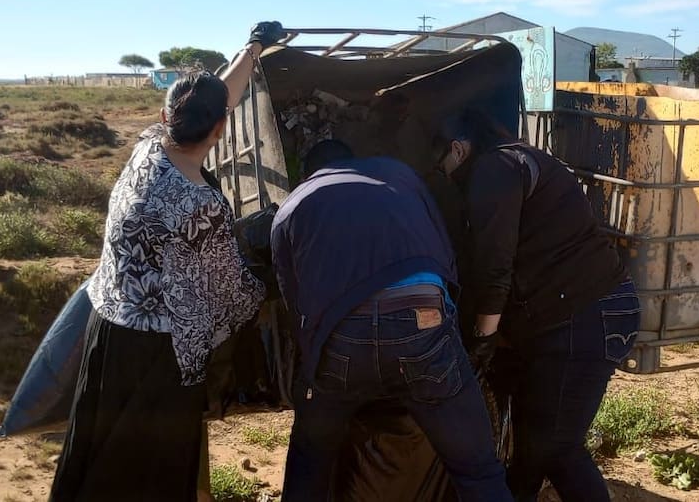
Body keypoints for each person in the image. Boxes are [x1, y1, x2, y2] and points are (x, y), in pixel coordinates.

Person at [48, 21, 286, 502]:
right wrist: (275, 279)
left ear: (166, 115)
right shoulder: (200, 205)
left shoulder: (147, 147)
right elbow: (230, 294)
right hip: (157, 354)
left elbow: (218, 97)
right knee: (147, 471)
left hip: (109, 332)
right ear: (222, 128)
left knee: (100, 455)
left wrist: (253, 48)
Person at [272, 139, 512, 502]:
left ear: (309, 174)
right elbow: (444, 256)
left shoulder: (292, 206)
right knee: (477, 469)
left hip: (341, 339)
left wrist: (315, 380)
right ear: (356, 160)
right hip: (422, 322)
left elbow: (295, 307)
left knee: (310, 456)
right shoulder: (400, 175)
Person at [435, 109, 639, 502]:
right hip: (581, 314)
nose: (444, 176)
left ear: (458, 149)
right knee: (533, 446)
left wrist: (483, 339)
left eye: (442, 166)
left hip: (585, 318)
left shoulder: (496, 169)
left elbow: (496, 268)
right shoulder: (516, 159)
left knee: (557, 448)